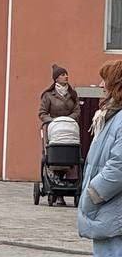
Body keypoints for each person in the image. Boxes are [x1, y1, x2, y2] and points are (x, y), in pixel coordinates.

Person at [78, 59, 122, 257]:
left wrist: (94, 193)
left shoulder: (118, 120)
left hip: (111, 209)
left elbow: (118, 166)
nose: (100, 85)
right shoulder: (110, 117)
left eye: (104, 79)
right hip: (110, 208)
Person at [40, 66, 81, 205]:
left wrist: (69, 119)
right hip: (54, 130)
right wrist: (53, 121)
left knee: (69, 155)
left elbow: (77, 110)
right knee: (56, 155)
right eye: (63, 75)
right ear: (56, 78)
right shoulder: (48, 95)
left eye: (67, 74)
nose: (66, 77)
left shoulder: (72, 94)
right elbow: (42, 113)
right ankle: (56, 184)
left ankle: (69, 182)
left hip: (69, 129)